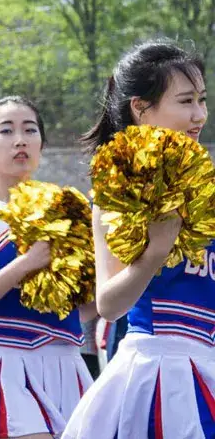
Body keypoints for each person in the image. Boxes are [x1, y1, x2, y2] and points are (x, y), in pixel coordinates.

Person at [63, 41, 214, 438]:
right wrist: (155, 252)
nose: (199, 115)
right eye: (186, 101)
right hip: (158, 374)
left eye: (202, 100)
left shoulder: (207, 189)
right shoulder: (119, 192)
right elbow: (109, 305)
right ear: (141, 108)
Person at [0, 97, 92, 439]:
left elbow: (88, 307)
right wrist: (25, 264)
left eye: (30, 130)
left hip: (67, 361)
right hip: (7, 363)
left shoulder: (68, 210)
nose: (20, 140)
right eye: (6, 131)